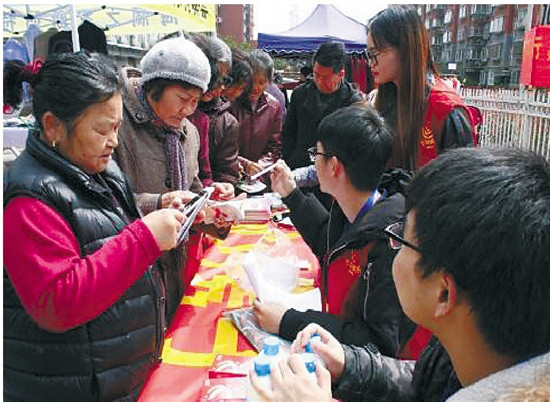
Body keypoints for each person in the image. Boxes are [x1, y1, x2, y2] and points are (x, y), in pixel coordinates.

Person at [253, 147, 550, 402]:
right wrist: (349, 364)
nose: (393, 247)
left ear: (443, 293)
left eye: (402, 238)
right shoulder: (473, 354)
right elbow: (423, 383)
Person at [3, 51, 186, 401]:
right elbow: (58, 302)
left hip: (109, 373)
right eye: (103, 129)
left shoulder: (96, 167)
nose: (113, 141)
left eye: (117, 127)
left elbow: (104, 232)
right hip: (71, 384)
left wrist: (158, 209)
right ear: (53, 126)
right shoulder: (29, 199)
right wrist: (145, 238)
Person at [253, 103, 407, 358]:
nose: (314, 161)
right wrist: (291, 194)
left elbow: (377, 345)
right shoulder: (353, 206)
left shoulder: (389, 243)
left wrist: (288, 322)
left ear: (334, 166)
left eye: (317, 153)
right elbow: (329, 243)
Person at [115, 37, 234, 322]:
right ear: (154, 86)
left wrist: (211, 208)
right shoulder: (116, 124)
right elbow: (101, 201)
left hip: (174, 268)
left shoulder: (188, 133)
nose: (188, 110)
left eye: (195, 101)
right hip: (130, 271)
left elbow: (191, 190)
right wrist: (157, 203)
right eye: (182, 99)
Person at [366, 5, 477, 171]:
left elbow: (463, 179)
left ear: (405, 48)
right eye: (368, 55)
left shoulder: (445, 110)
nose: (370, 63)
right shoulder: (385, 100)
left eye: (375, 54)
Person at [282, 41, 364, 171]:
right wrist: (289, 158)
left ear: (341, 74)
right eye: (316, 75)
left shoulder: (353, 103)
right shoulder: (300, 94)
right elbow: (288, 132)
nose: (319, 81)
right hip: (298, 167)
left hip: (332, 174)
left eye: (325, 77)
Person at [190, 34, 241, 185]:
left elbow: (215, 174)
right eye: (213, 76)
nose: (219, 86)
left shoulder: (220, 122)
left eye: (224, 79)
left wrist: (220, 189)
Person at [230, 49, 282, 177]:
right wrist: (244, 164)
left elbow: (274, 147)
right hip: (231, 172)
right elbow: (223, 148)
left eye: (262, 82)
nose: (255, 87)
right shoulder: (231, 102)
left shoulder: (273, 106)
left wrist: (261, 165)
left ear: (269, 81)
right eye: (251, 81)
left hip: (259, 176)